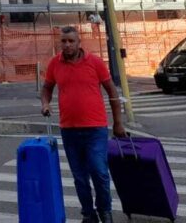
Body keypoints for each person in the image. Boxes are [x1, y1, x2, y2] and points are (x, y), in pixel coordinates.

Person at [41, 25, 126, 223]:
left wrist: (118, 123)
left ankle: (105, 210)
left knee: (99, 172)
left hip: (95, 129)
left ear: (79, 42)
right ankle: (88, 214)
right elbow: (47, 88)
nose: (67, 45)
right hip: (69, 130)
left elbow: (112, 92)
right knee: (79, 177)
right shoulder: (55, 63)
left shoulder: (95, 62)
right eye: (63, 41)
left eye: (71, 41)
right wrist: (45, 104)